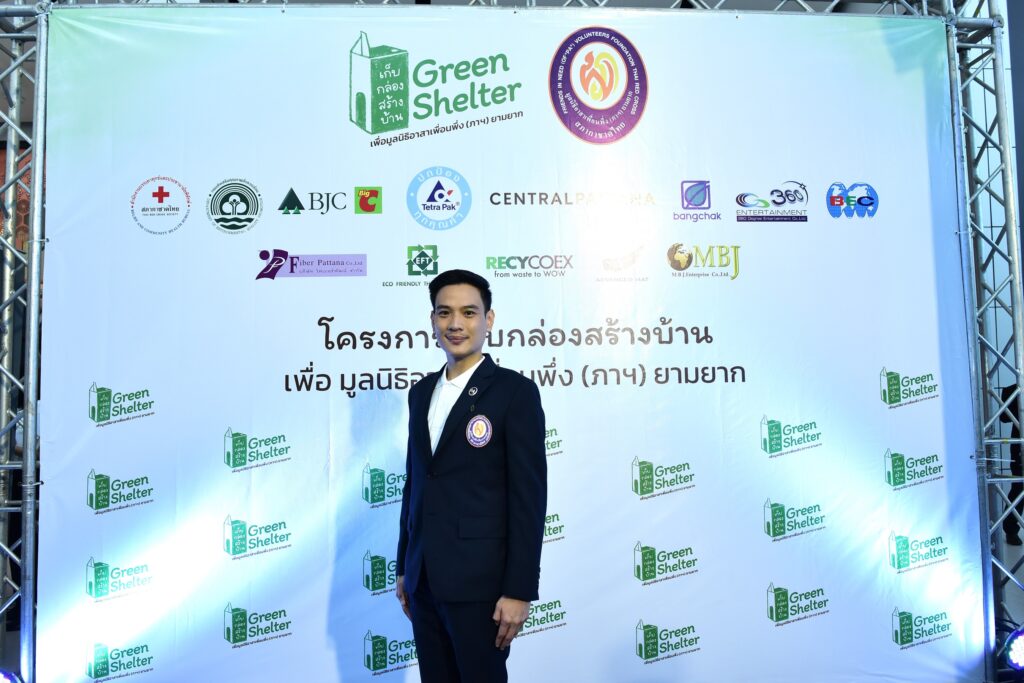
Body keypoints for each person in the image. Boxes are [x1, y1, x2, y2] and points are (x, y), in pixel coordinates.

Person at [395, 269, 547, 683]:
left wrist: (519, 590)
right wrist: (405, 565)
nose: (455, 324)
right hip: (423, 581)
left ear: (488, 319)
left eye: (468, 312)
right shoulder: (421, 392)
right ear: (433, 321)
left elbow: (528, 499)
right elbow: (415, 483)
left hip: (481, 586)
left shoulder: (515, 392)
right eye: (444, 313)